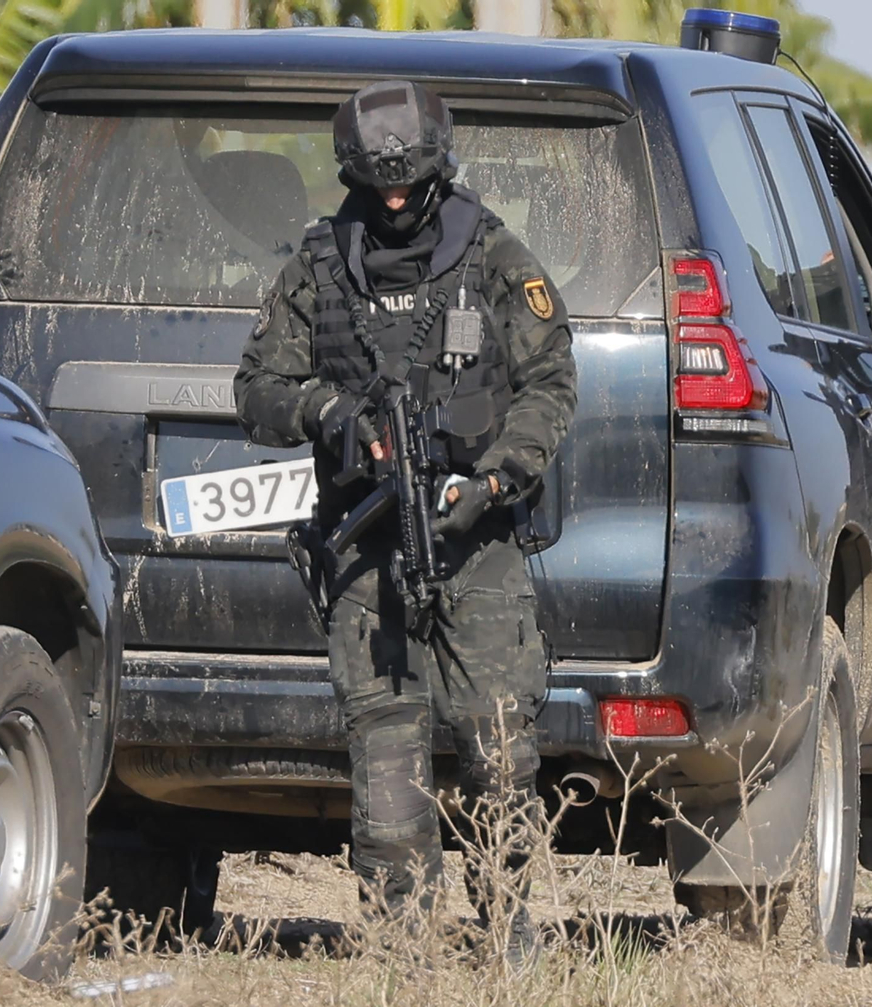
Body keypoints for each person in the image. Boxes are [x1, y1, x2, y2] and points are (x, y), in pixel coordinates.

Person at [234, 80, 577, 960]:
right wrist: (330, 413)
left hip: (476, 539)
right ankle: (404, 942)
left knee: (499, 741)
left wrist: (496, 479)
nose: (393, 198)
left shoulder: (495, 255)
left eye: (408, 183)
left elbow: (550, 386)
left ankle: (510, 923)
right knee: (384, 749)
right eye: (376, 184)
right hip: (364, 542)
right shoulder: (319, 263)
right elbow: (258, 390)